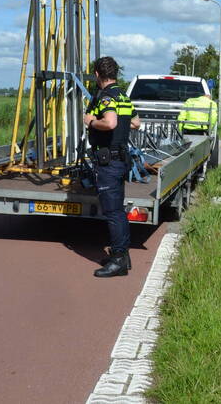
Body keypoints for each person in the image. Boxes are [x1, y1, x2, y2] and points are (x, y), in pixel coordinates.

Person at [84, 56, 141, 278]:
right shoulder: (123, 96)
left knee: (113, 212)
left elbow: (110, 122)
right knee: (117, 210)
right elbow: (136, 122)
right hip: (120, 159)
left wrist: (89, 121)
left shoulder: (106, 97)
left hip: (109, 162)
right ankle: (122, 255)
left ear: (97, 74)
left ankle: (118, 260)